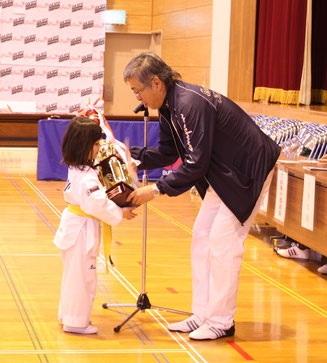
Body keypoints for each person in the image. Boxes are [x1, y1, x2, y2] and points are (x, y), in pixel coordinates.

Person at [124, 52, 281, 340]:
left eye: (138, 91)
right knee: (202, 235)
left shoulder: (189, 103)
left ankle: (221, 321)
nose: (138, 99)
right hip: (225, 173)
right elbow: (169, 152)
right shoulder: (170, 107)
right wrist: (131, 158)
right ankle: (202, 314)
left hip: (248, 170)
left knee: (224, 242)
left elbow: (196, 164)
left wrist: (155, 189)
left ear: (156, 83)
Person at [54, 116, 136, 334]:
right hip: (80, 230)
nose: (100, 147)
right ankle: (76, 322)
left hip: (74, 227)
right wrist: (121, 213)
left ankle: (68, 315)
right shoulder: (87, 178)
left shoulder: (79, 168)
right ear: (84, 146)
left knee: (73, 276)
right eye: (96, 143)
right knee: (83, 280)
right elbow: (96, 205)